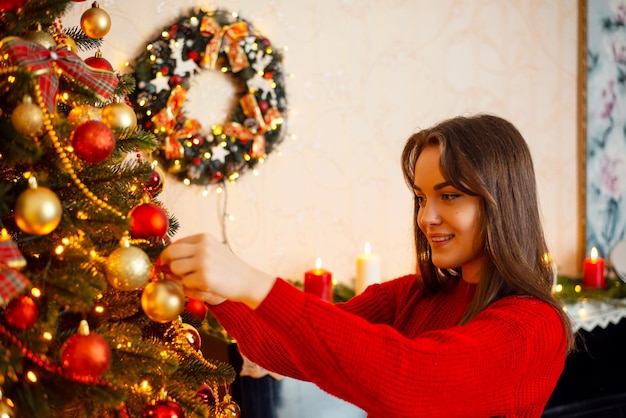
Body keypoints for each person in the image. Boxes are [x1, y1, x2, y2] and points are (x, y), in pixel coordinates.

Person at [159, 114, 575, 417]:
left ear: (501, 203)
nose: (426, 218)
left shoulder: (533, 325)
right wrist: (225, 296)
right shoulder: (412, 294)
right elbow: (294, 351)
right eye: (420, 197)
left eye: (448, 196)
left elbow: (413, 384)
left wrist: (254, 283)